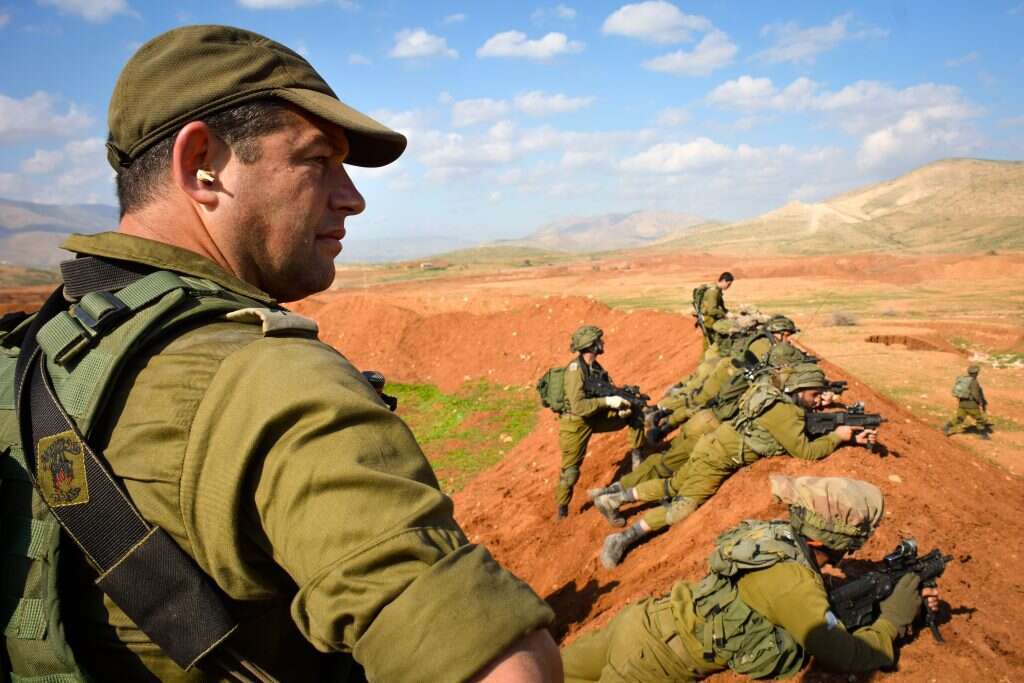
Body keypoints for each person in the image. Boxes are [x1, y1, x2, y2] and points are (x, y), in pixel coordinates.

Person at [1, 25, 561, 682]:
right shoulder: (268, 377)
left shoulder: (37, 349)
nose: (352, 197)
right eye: (316, 160)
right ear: (201, 163)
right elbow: (504, 670)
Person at [562, 475, 941, 682]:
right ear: (834, 541)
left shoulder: (771, 536)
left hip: (642, 622)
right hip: (654, 664)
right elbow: (846, 655)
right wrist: (891, 621)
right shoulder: (795, 584)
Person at [597, 363, 876, 568]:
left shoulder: (772, 395)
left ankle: (615, 499)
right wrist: (837, 438)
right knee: (681, 508)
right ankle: (622, 538)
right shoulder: (784, 412)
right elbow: (805, 450)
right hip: (718, 459)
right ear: (798, 389)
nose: (816, 400)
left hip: (712, 443)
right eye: (814, 394)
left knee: (674, 484)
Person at [556, 325, 645, 518]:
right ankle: (562, 510)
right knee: (570, 472)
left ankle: (639, 462)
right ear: (591, 346)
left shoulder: (595, 367)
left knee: (635, 413)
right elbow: (578, 406)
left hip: (595, 416)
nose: (602, 343)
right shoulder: (574, 371)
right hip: (575, 424)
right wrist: (607, 402)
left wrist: (620, 406)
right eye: (599, 341)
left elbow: (605, 389)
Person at [944, 364, 992, 439]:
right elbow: (976, 394)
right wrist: (980, 402)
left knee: (959, 418)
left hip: (962, 404)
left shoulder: (964, 380)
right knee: (980, 419)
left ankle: (946, 427)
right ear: (976, 373)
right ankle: (984, 435)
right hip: (972, 405)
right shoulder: (974, 382)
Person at [693, 272, 733, 349]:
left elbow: (720, 305)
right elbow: (712, 310)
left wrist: (727, 312)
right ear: (724, 281)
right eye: (728, 284)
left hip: (710, 320)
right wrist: (724, 314)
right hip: (709, 321)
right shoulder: (713, 292)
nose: (729, 286)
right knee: (710, 345)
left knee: (710, 345)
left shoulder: (717, 290)